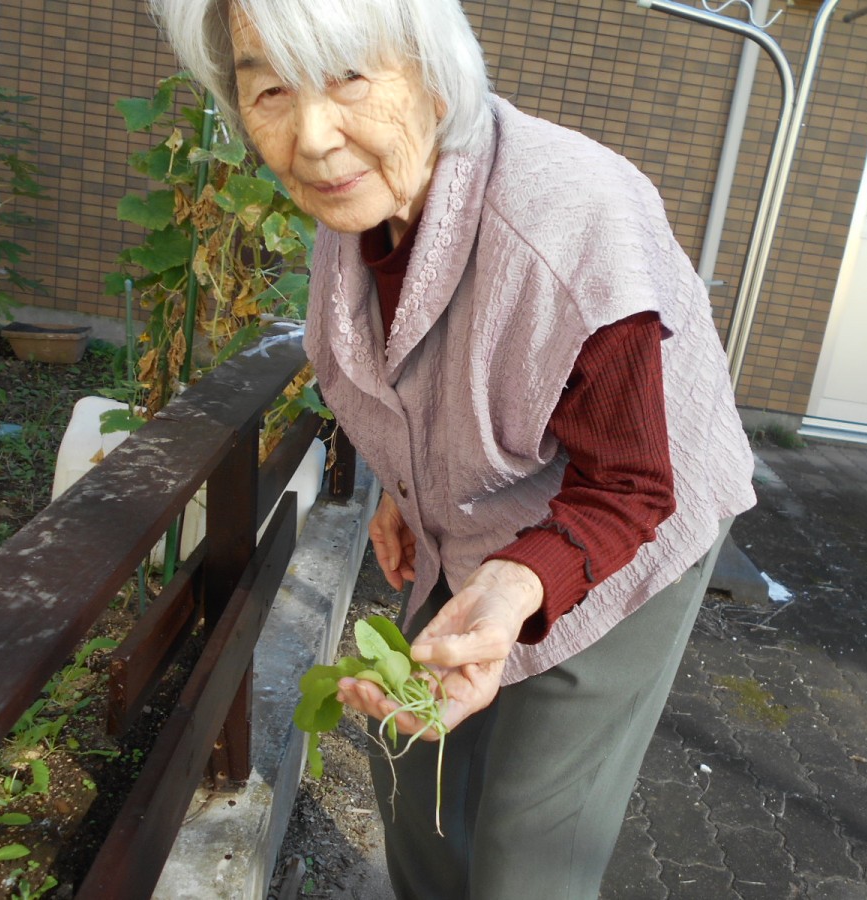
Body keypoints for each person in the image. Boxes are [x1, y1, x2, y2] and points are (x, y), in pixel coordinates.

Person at [150, 0, 756, 896]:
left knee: (529, 837)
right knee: (415, 761)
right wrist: (411, 486)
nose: (312, 138)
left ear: (434, 73)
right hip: (492, 500)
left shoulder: (573, 222)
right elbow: (410, 371)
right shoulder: (361, 203)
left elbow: (632, 483)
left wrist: (518, 583)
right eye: (270, 89)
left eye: (348, 77)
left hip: (631, 521)